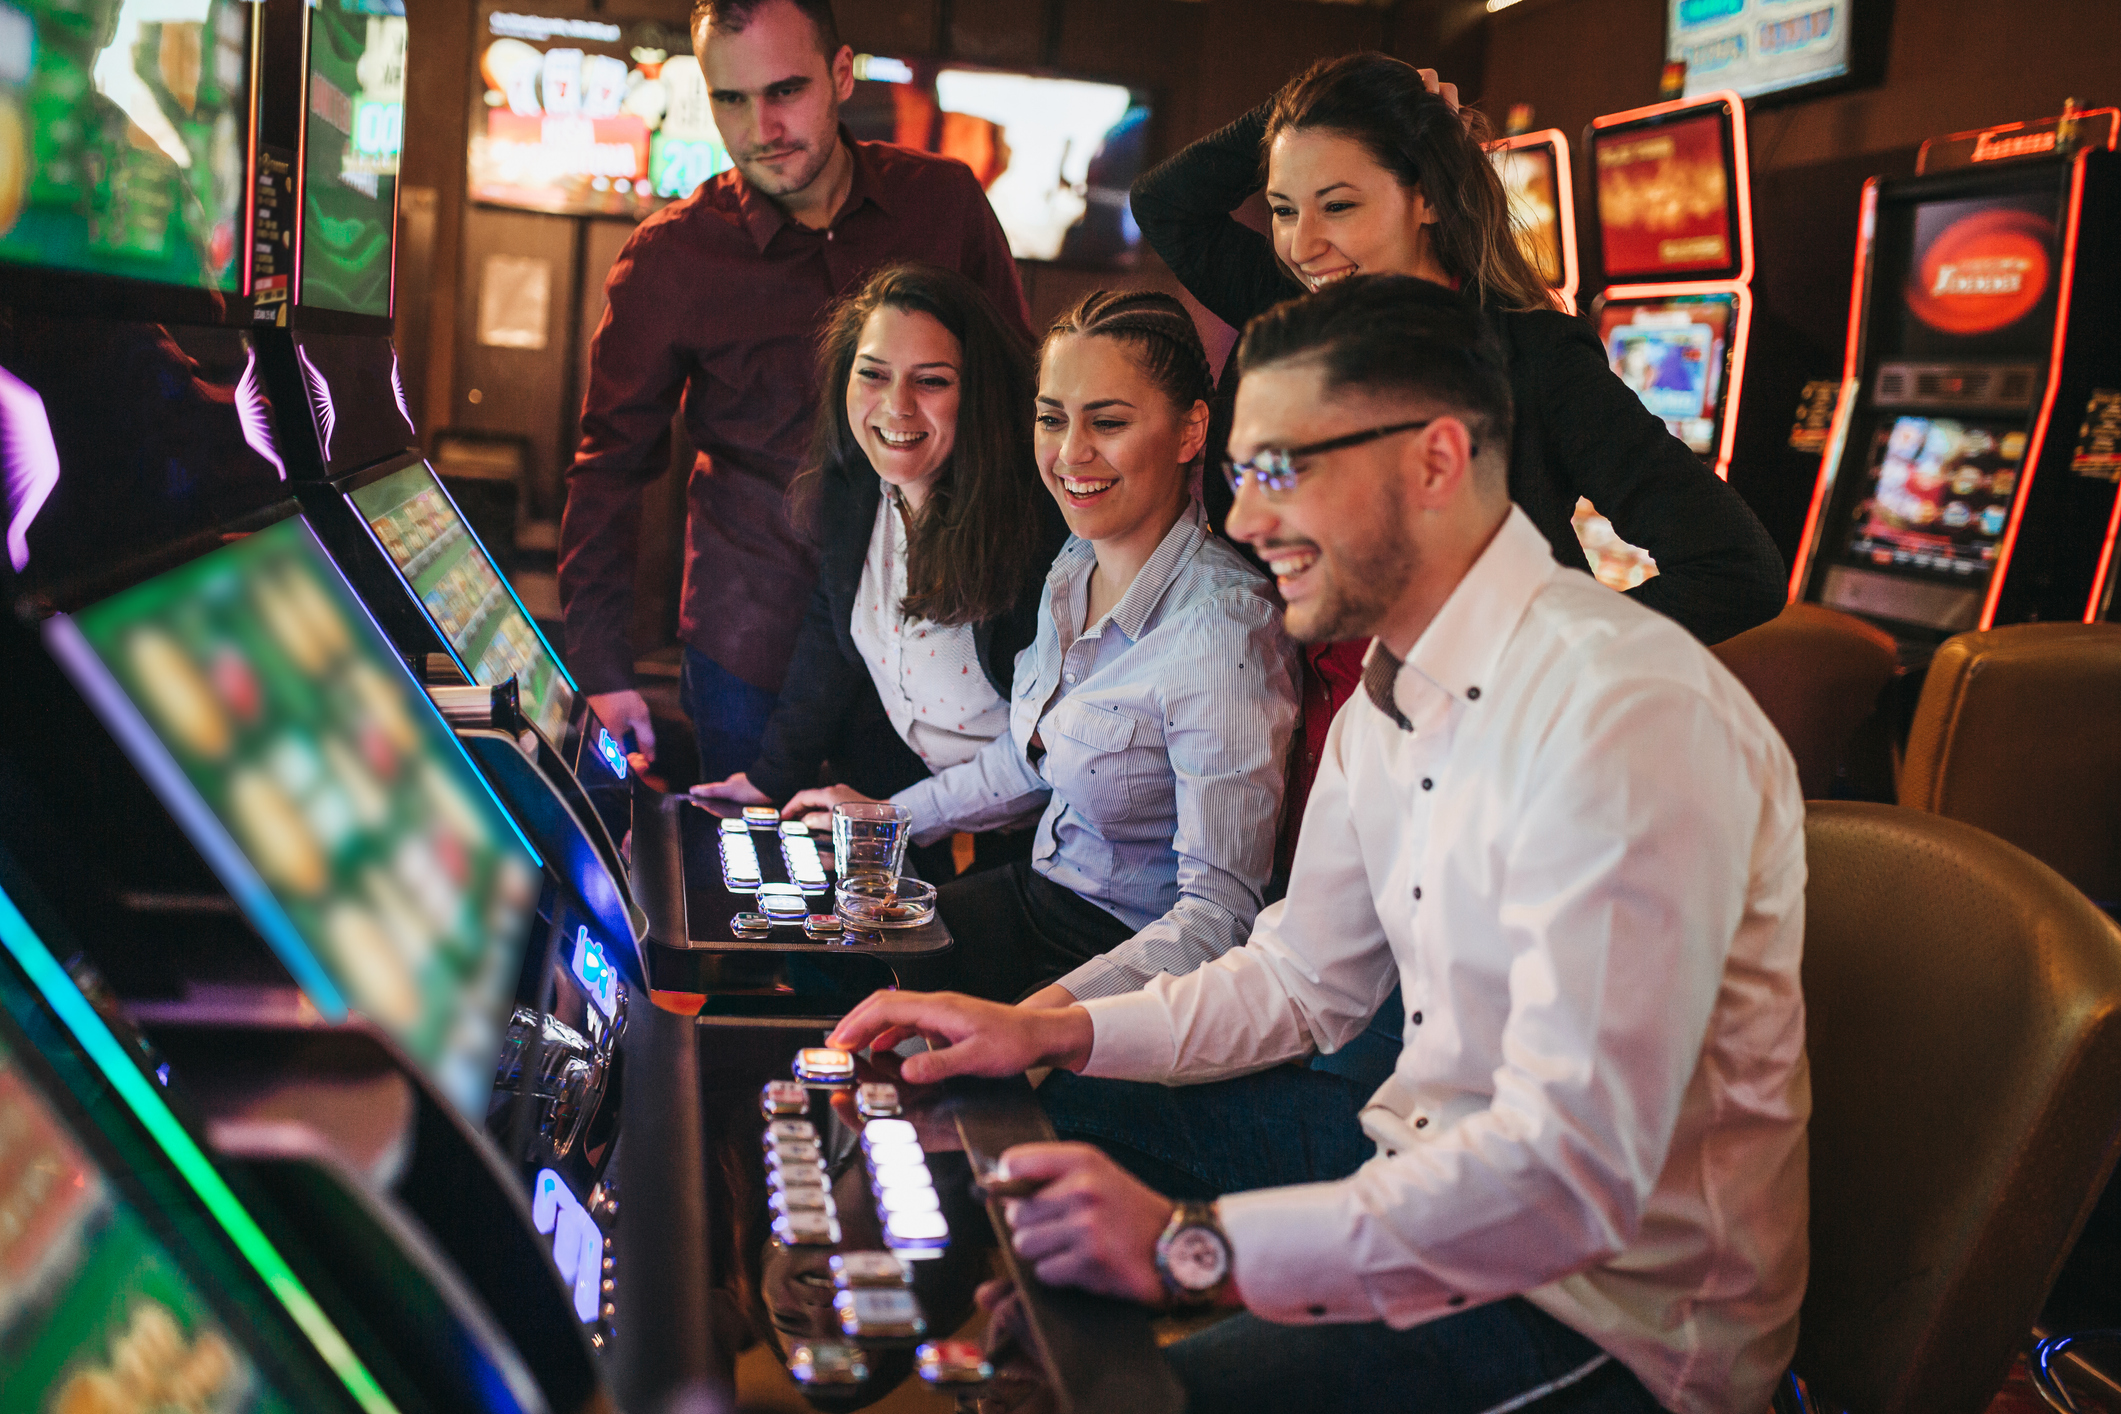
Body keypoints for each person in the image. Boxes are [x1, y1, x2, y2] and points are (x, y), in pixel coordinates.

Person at [827, 276, 1809, 1414]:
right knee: (1019, 1117)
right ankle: (848, 1345)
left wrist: (1191, 1246)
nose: (1244, 520)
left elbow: (1565, 1184)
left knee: (1138, 1399)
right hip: (1411, 1157)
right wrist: (1050, 1026)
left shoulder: (1623, 714)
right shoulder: (1387, 691)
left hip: (1612, 1308)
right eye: (1245, 474)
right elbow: (1299, 981)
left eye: (1287, 469)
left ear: (1437, 461)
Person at [559, 0, 1030, 783]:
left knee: (904, 890)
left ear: (841, 76)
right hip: (752, 638)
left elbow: (1020, 403)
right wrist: (604, 668)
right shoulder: (670, 258)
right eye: (730, 99)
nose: (760, 128)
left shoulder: (942, 204)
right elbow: (608, 467)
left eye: (785, 91)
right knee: (750, 887)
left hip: (928, 638)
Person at [787, 291, 1299, 1007]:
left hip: (1132, 964)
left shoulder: (1223, 629)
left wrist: (1043, 1024)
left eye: (1108, 422)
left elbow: (1217, 920)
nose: (1070, 454)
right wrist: (889, 816)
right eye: (1052, 419)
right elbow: (1030, 757)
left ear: (1191, 432)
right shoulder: (1073, 562)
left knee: (876, 1021)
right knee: (812, 954)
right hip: (1039, 900)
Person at [688, 264, 1067, 882]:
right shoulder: (858, 482)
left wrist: (894, 816)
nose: (897, 406)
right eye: (873, 374)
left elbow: (1043, 754)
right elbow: (830, 635)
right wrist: (768, 779)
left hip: (1042, 830)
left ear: (978, 392)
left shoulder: (1034, 532)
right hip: (915, 795)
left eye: (932, 381)